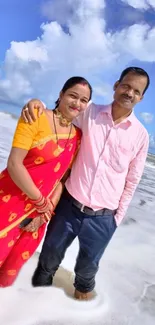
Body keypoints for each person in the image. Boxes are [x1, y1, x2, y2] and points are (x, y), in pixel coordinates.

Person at [21, 67, 150, 300]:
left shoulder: (140, 135)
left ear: (141, 97)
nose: (129, 93)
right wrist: (35, 102)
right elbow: (59, 117)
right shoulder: (89, 112)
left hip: (103, 217)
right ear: (116, 86)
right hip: (68, 207)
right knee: (48, 260)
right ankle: (36, 305)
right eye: (126, 86)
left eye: (136, 91)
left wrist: (115, 219)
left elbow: (132, 180)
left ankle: (84, 315)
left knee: (86, 272)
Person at [0, 76, 92, 287]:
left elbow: (61, 178)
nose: (77, 103)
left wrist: (46, 210)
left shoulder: (77, 136)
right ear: (61, 94)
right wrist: (42, 203)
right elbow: (15, 164)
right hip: (9, 202)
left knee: (9, 272)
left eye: (84, 100)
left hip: (39, 216)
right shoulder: (36, 116)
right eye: (73, 96)